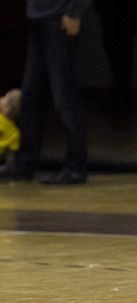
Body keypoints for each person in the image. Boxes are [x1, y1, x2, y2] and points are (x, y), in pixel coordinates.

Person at [0, 0, 91, 184]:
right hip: (38, 20)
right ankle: (25, 163)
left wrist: (73, 12)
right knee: (29, 97)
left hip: (59, 20)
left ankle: (76, 167)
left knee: (65, 98)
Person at [94, 0, 137, 112]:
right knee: (121, 51)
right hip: (125, 8)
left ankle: (120, 97)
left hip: (118, 8)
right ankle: (121, 96)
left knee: (117, 51)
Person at [0, 89, 22, 164]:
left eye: (4, 97)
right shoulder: (15, 132)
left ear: (7, 105)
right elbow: (11, 152)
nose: (1, 98)